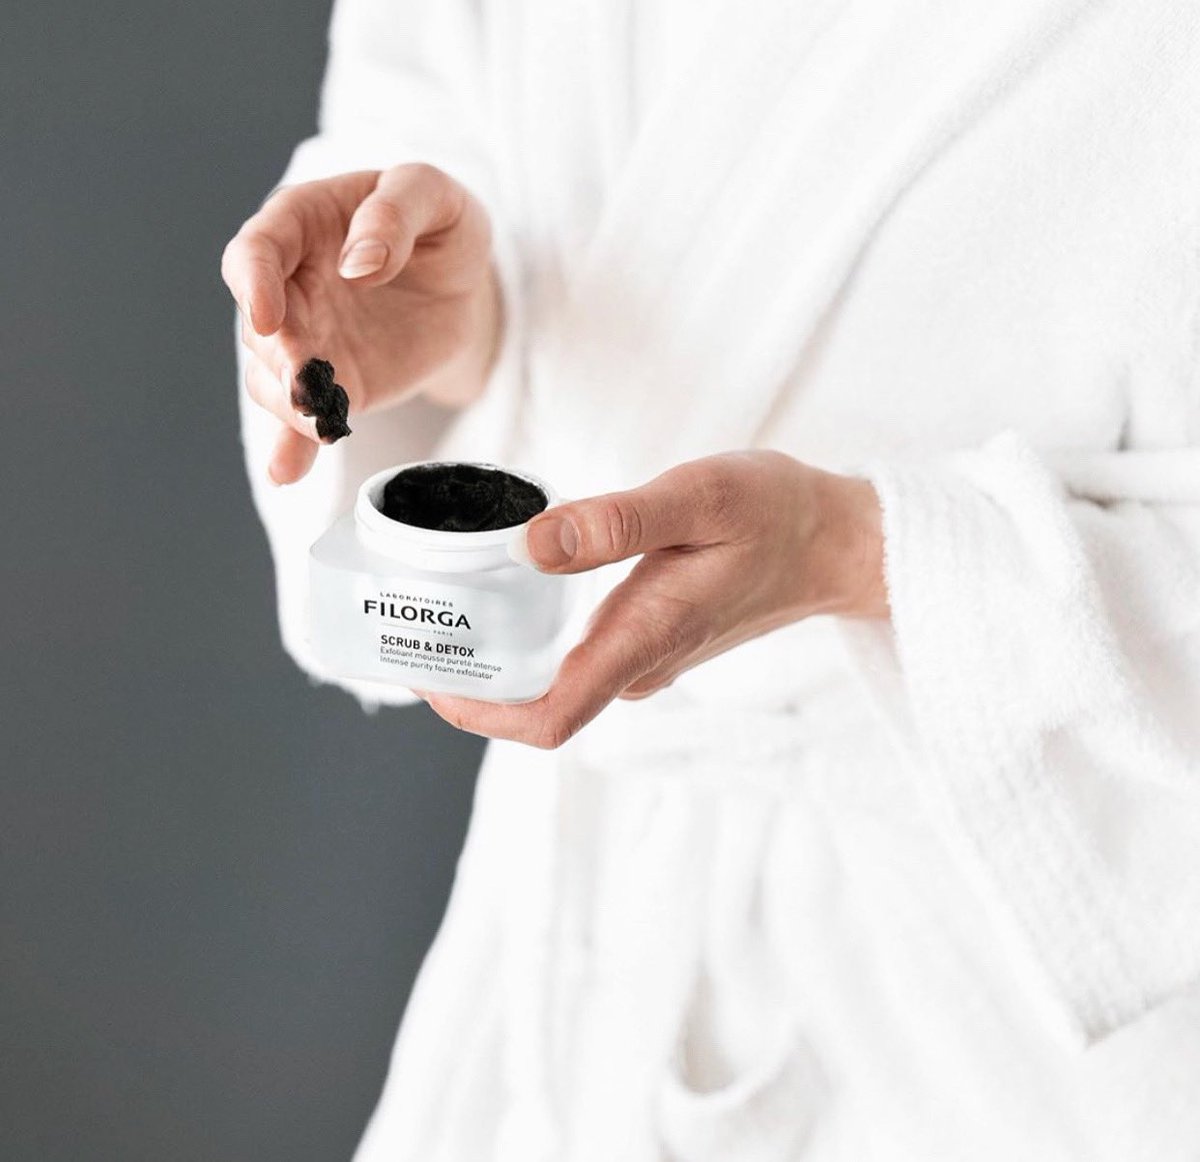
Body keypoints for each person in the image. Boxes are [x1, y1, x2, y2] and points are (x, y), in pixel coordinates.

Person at [223, 2, 1200, 1159]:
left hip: (1016, 1004)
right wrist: (461, 328)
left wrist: (858, 549)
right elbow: (425, 114)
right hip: (575, 967)